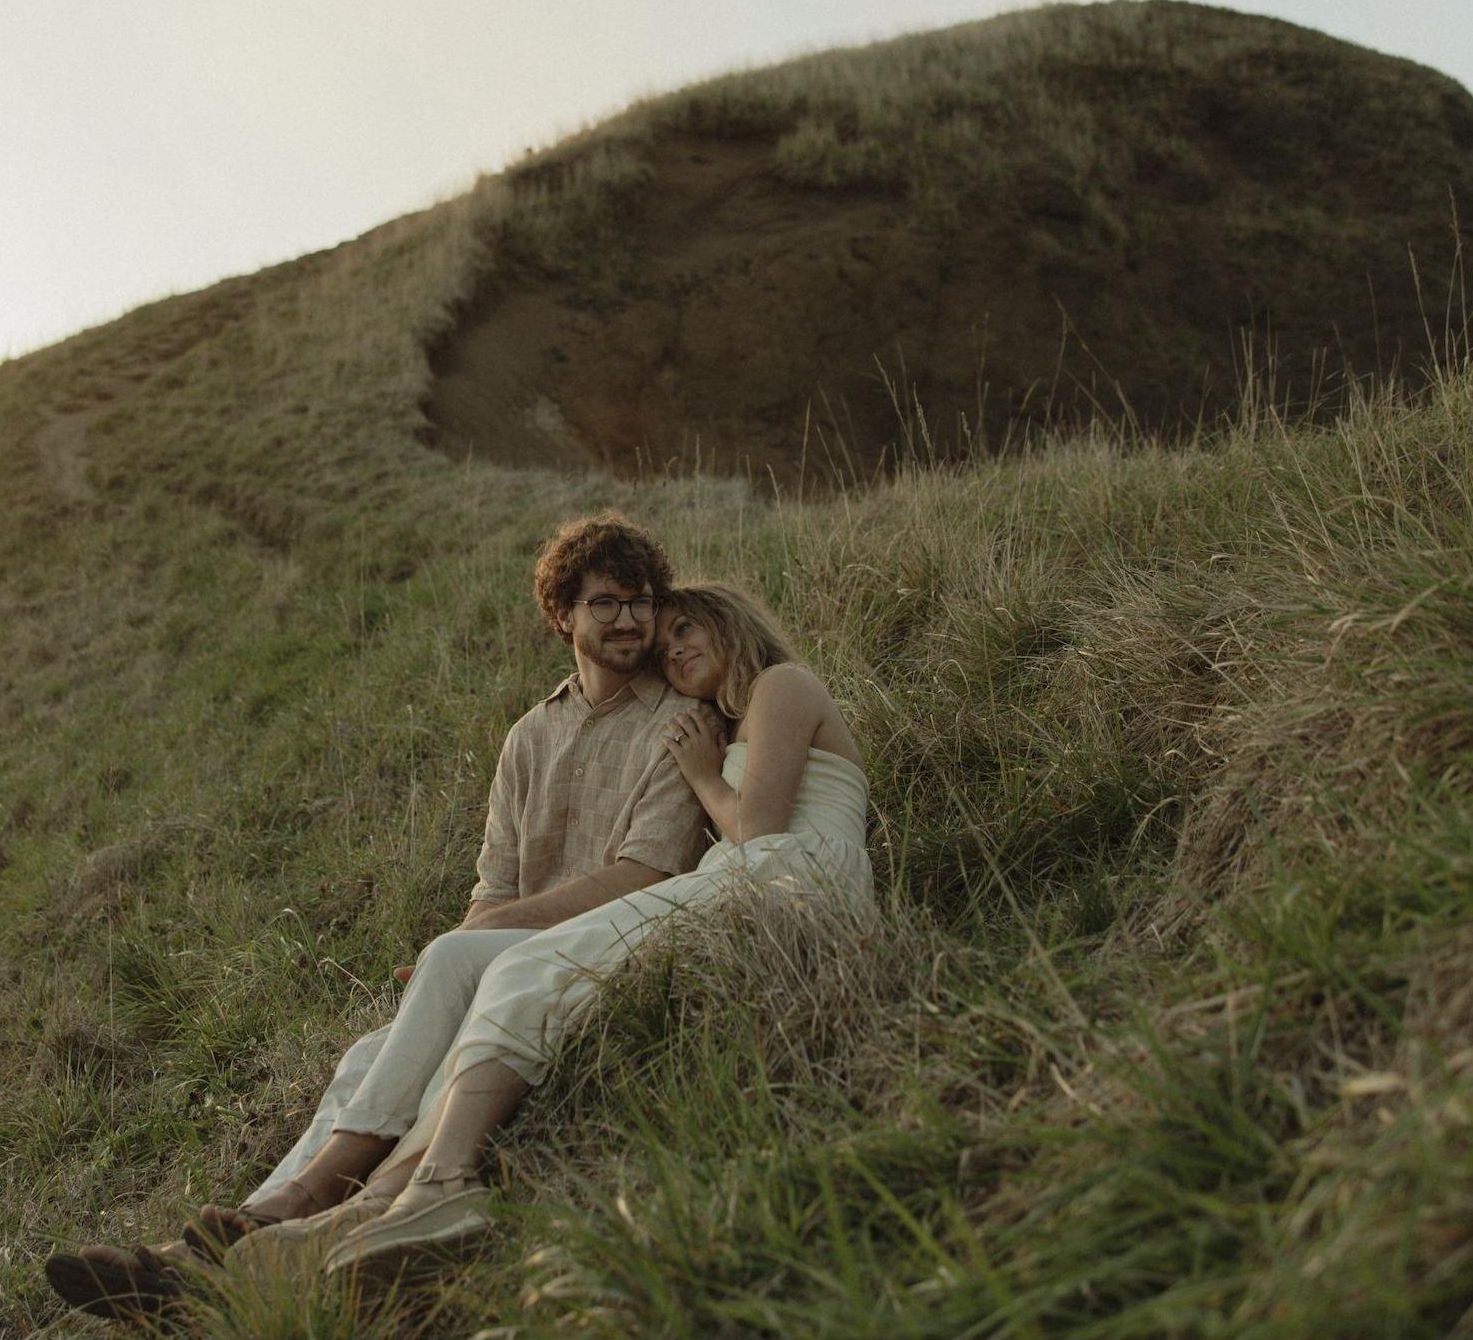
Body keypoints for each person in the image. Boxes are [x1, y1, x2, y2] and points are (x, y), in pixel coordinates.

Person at [44, 509, 711, 1321]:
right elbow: (492, 887)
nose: (630, 620)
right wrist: (468, 943)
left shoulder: (677, 719)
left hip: (604, 948)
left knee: (451, 959)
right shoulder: (530, 735)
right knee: (370, 1053)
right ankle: (207, 1262)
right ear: (562, 615)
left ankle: (294, 1205)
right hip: (504, 959)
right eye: (606, 602)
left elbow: (644, 875)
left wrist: (469, 945)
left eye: (641, 601)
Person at [289, 581, 874, 1284]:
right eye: (665, 648)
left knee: (521, 968)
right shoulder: (726, 719)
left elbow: (758, 831)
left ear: (731, 625)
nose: (674, 651)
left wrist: (700, 774)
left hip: (786, 875)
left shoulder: (782, 684)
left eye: (686, 630)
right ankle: (386, 1194)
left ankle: (441, 1185)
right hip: (751, 879)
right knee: (514, 975)